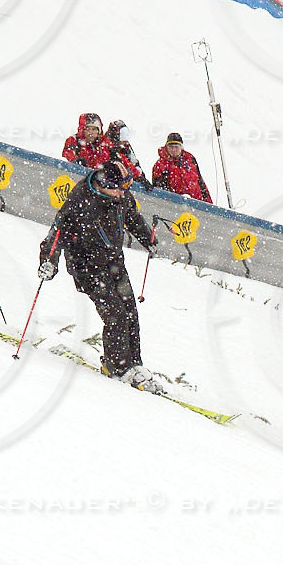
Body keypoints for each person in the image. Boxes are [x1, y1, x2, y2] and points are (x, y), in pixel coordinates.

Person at [39, 157, 159, 383]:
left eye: (126, 188)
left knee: (130, 310)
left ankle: (135, 364)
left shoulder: (121, 194)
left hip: (113, 260)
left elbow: (131, 217)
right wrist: (49, 261)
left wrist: (146, 237)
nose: (124, 194)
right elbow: (56, 234)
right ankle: (117, 368)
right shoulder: (80, 200)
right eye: (119, 190)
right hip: (87, 267)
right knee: (116, 314)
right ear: (105, 186)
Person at [149, 131, 212, 203]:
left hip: (198, 205)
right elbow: (159, 193)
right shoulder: (160, 166)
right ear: (166, 147)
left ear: (181, 147)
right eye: (171, 147)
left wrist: (209, 204)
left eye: (176, 147)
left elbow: (201, 183)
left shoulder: (190, 160)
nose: (174, 150)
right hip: (176, 207)